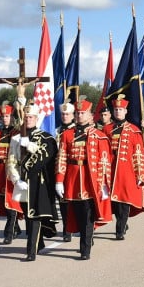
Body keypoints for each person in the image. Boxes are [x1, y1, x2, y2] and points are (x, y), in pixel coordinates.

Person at [55, 97, 112, 260]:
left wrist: (104, 184)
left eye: (83, 113)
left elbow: (104, 161)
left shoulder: (99, 135)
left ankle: (85, 248)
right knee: (77, 214)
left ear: (90, 115)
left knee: (88, 214)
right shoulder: (66, 135)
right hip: (73, 179)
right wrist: (59, 179)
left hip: (90, 179)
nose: (80, 116)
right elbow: (62, 158)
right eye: (78, 113)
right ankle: (86, 239)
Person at [6, 102, 59, 261]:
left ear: (37, 118)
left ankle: (31, 251)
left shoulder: (46, 137)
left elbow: (46, 155)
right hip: (22, 183)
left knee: (34, 215)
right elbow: (11, 162)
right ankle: (38, 243)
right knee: (29, 216)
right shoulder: (15, 139)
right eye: (26, 117)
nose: (28, 119)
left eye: (31, 117)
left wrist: (29, 145)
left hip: (39, 183)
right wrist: (16, 179)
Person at [102, 95, 144, 240]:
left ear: (126, 111)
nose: (118, 112)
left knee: (123, 200)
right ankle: (122, 221)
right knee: (112, 202)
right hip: (109, 168)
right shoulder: (106, 129)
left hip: (126, 170)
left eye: (120, 109)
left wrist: (140, 174)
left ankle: (120, 229)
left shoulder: (134, 131)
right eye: (116, 109)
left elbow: (138, 154)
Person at [0, 101, 23, 244]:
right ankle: (16, 228)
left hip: (13, 171)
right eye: (3, 116)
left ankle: (8, 233)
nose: (5, 119)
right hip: (1, 172)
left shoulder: (18, 133)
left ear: (12, 117)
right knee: (4, 202)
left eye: (7, 116)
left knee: (12, 202)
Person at [56, 99, 76, 242]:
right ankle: (66, 228)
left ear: (72, 115)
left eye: (67, 114)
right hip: (59, 169)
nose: (65, 117)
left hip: (73, 169)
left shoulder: (77, 130)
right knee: (63, 201)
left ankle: (80, 225)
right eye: (63, 114)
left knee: (75, 201)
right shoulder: (56, 130)